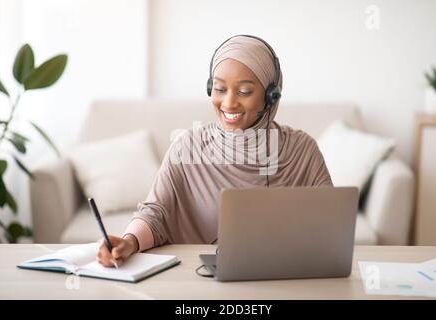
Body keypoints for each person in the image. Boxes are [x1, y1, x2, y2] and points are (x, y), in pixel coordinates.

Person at [96, 35, 333, 267]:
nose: (229, 103)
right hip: (201, 281)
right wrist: (129, 241)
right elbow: (155, 213)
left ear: (271, 96)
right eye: (220, 88)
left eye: (244, 92)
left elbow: (331, 226)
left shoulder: (303, 151)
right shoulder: (187, 146)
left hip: (287, 277)